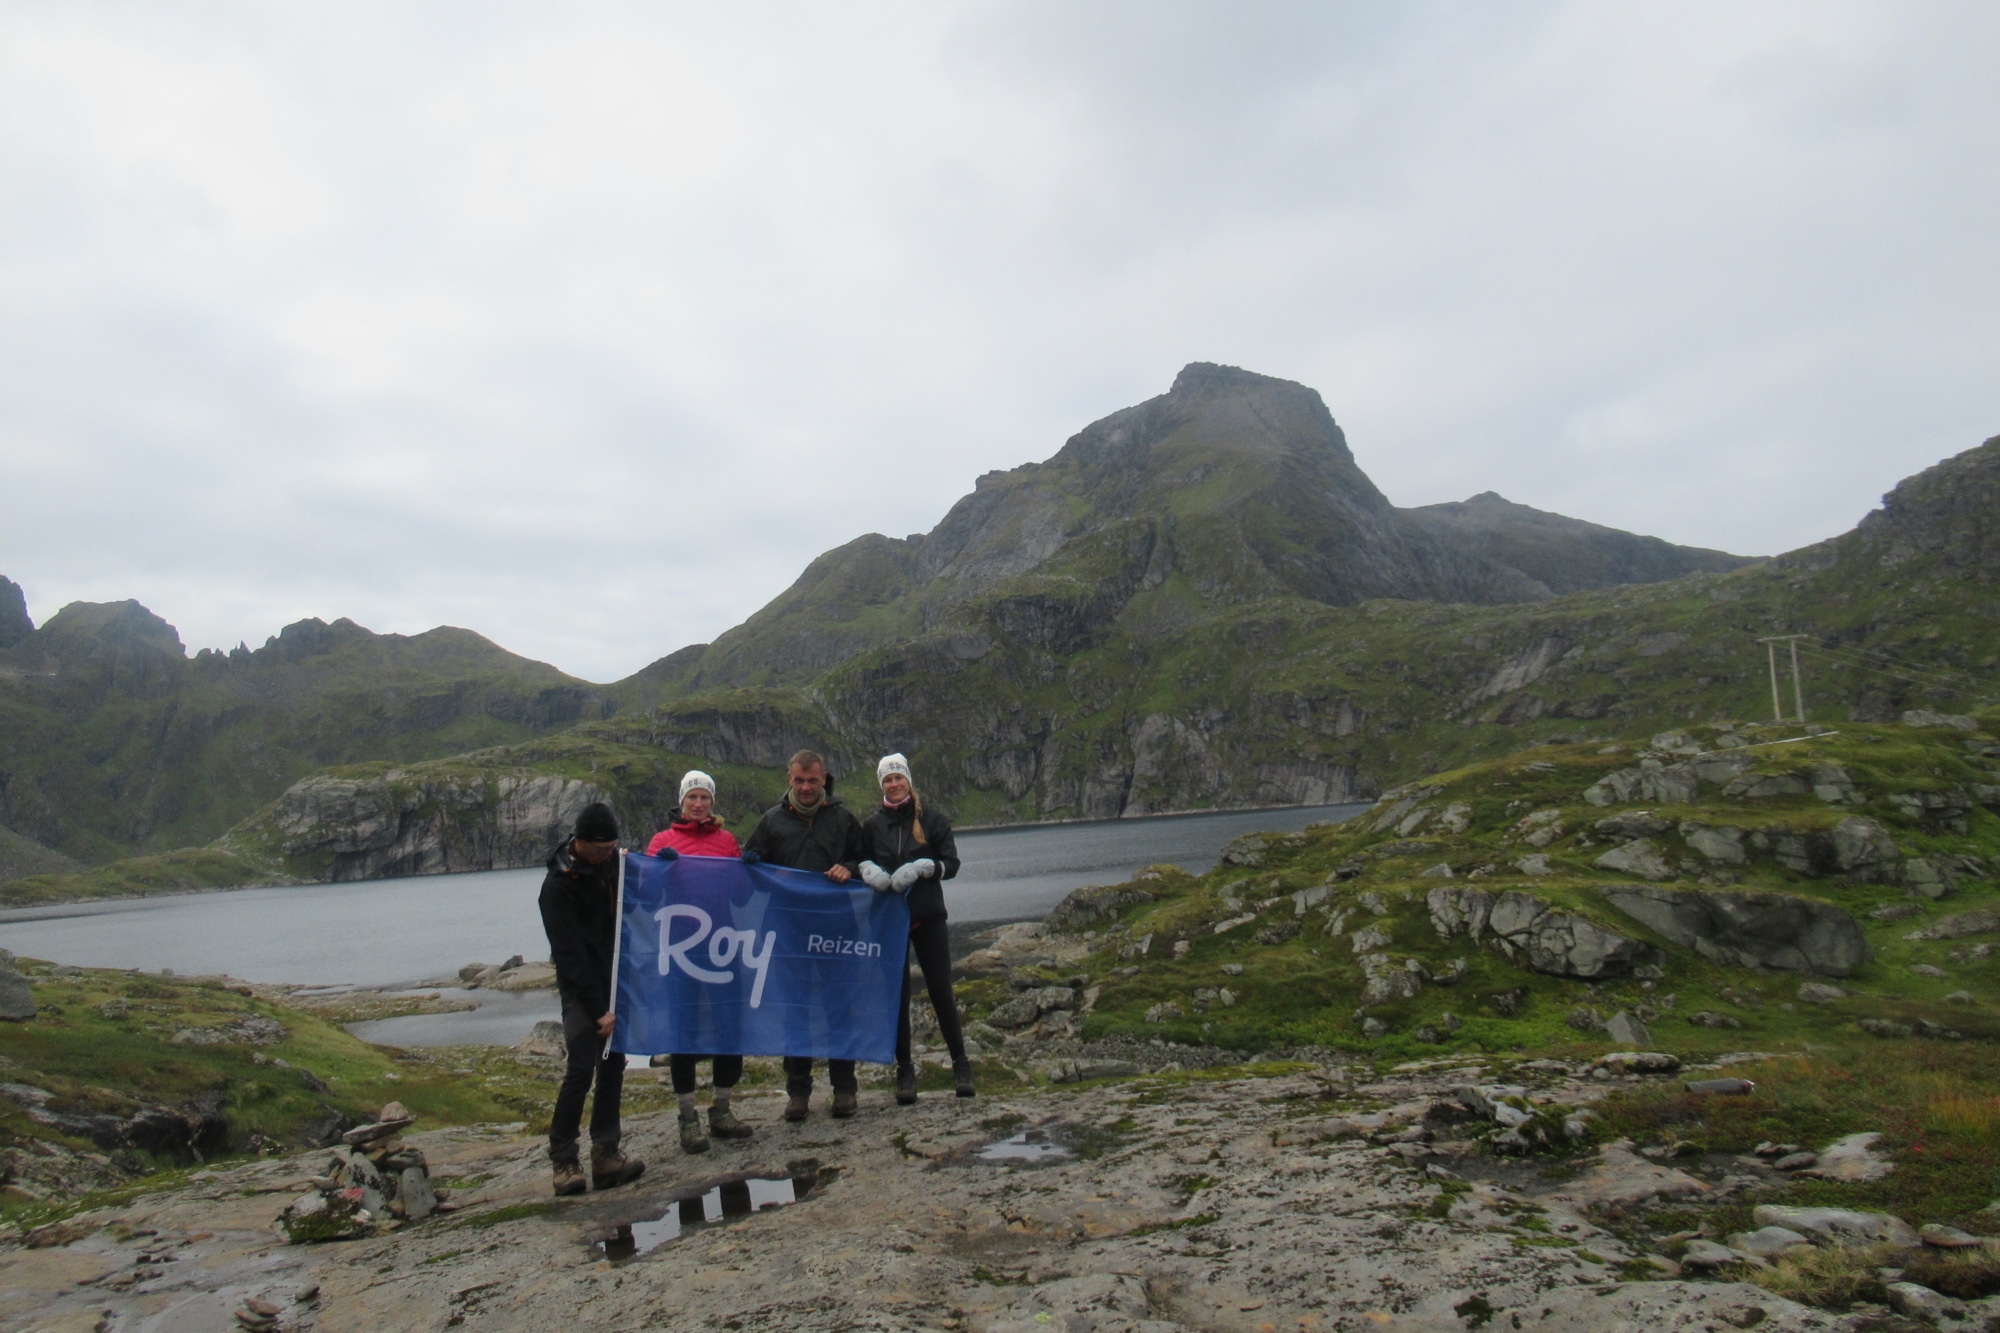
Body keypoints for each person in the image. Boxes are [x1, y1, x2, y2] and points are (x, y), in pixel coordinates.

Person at [741, 749, 865, 1120]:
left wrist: (850, 867)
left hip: (836, 932)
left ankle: (845, 1089)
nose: (807, 787)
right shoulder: (771, 821)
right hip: (788, 934)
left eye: (813, 780)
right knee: (795, 1013)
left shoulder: (843, 819)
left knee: (838, 1009)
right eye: (800, 780)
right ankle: (798, 1094)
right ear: (789, 779)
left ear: (824, 777)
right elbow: (750, 869)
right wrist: (750, 863)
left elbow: (868, 860)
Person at [537, 801, 645, 1196]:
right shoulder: (558, 887)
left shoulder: (612, 865)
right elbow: (569, 956)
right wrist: (598, 1009)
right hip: (584, 991)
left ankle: (606, 1154)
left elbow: (643, 884)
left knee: (613, 1069)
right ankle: (564, 1161)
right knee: (580, 1072)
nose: (606, 855)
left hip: (617, 982)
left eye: (611, 848)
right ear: (579, 842)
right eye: (600, 849)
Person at [643, 770, 753, 1155]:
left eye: (705, 797)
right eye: (692, 797)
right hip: (680, 950)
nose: (699, 803)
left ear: (712, 802)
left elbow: (741, 897)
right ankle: (687, 1117)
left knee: (729, 1027)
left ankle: (722, 1109)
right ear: (682, 801)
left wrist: (747, 869)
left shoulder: (726, 841)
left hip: (723, 945)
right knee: (683, 1032)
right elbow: (644, 895)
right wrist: (660, 869)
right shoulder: (662, 842)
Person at [857, 753, 975, 1103]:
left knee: (941, 991)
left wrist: (928, 867)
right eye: (887, 780)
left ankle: (961, 1065)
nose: (894, 784)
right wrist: (866, 869)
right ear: (882, 785)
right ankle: (905, 1071)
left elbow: (951, 864)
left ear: (908, 780)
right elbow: (858, 857)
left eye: (898, 778)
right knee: (897, 997)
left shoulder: (933, 820)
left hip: (928, 918)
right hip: (890, 920)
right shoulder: (872, 826)